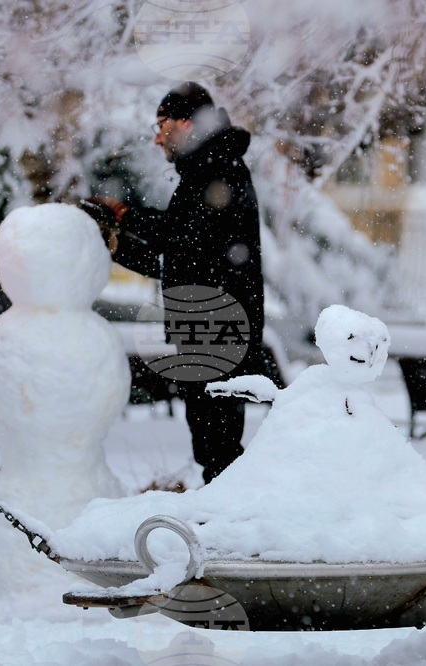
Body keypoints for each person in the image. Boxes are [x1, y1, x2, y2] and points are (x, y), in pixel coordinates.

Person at [91, 82, 265, 484]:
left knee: (218, 446)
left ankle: (230, 528)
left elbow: (181, 237)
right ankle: (223, 521)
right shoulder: (207, 167)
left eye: (162, 124)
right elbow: (184, 258)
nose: (156, 138)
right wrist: (117, 246)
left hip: (218, 325)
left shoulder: (217, 168)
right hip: (208, 323)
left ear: (185, 123)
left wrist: (123, 215)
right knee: (211, 444)